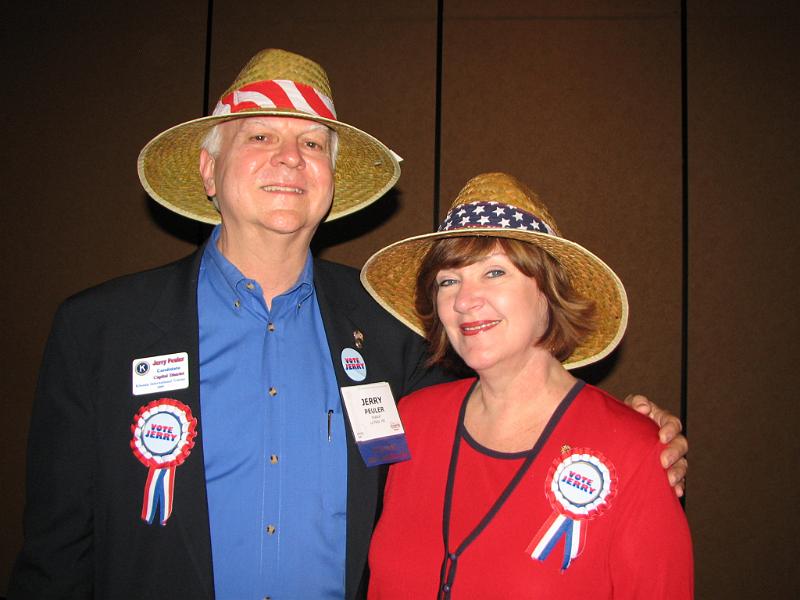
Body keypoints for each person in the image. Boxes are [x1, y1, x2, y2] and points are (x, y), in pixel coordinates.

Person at [8, 50, 686, 600]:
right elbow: (56, 554)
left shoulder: (390, 331)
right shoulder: (100, 332)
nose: (288, 158)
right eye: (261, 137)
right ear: (209, 172)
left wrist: (632, 447)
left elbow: (506, 395)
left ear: (330, 181)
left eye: (311, 143)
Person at [362, 172, 693, 598]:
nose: (464, 299)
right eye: (448, 280)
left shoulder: (635, 451)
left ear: (549, 293)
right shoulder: (410, 420)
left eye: (495, 272)